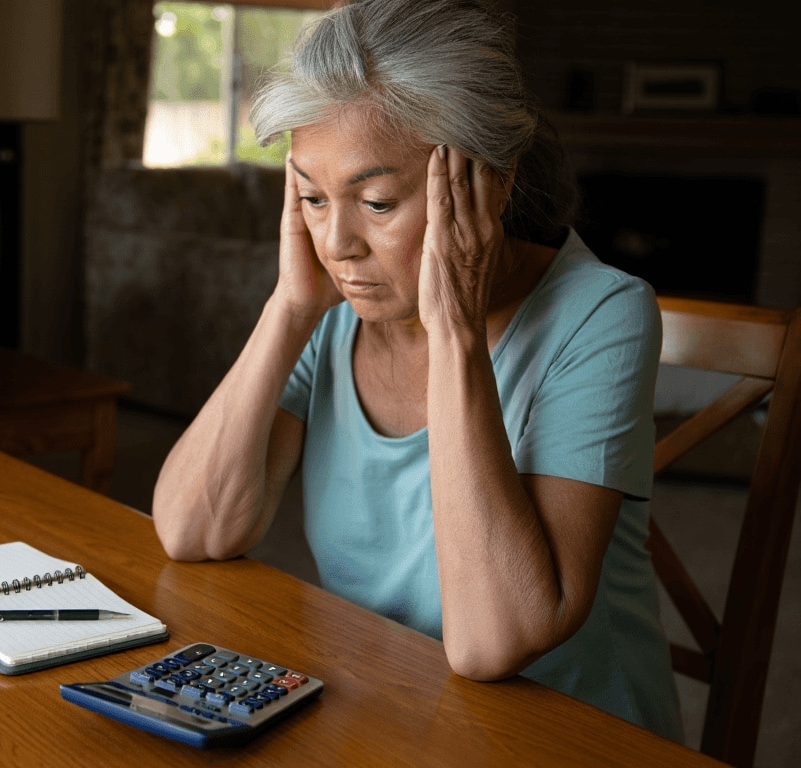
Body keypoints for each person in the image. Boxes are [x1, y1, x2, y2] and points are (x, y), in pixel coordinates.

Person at [150, 0, 682, 741]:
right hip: (386, 714)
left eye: (375, 201)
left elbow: (493, 642)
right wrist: (289, 306)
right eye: (310, 196)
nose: (337, 243)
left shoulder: (604, 314)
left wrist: (456, 333)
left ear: (488, 183)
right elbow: (192, 529)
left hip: (567, 740)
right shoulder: (335, 313)